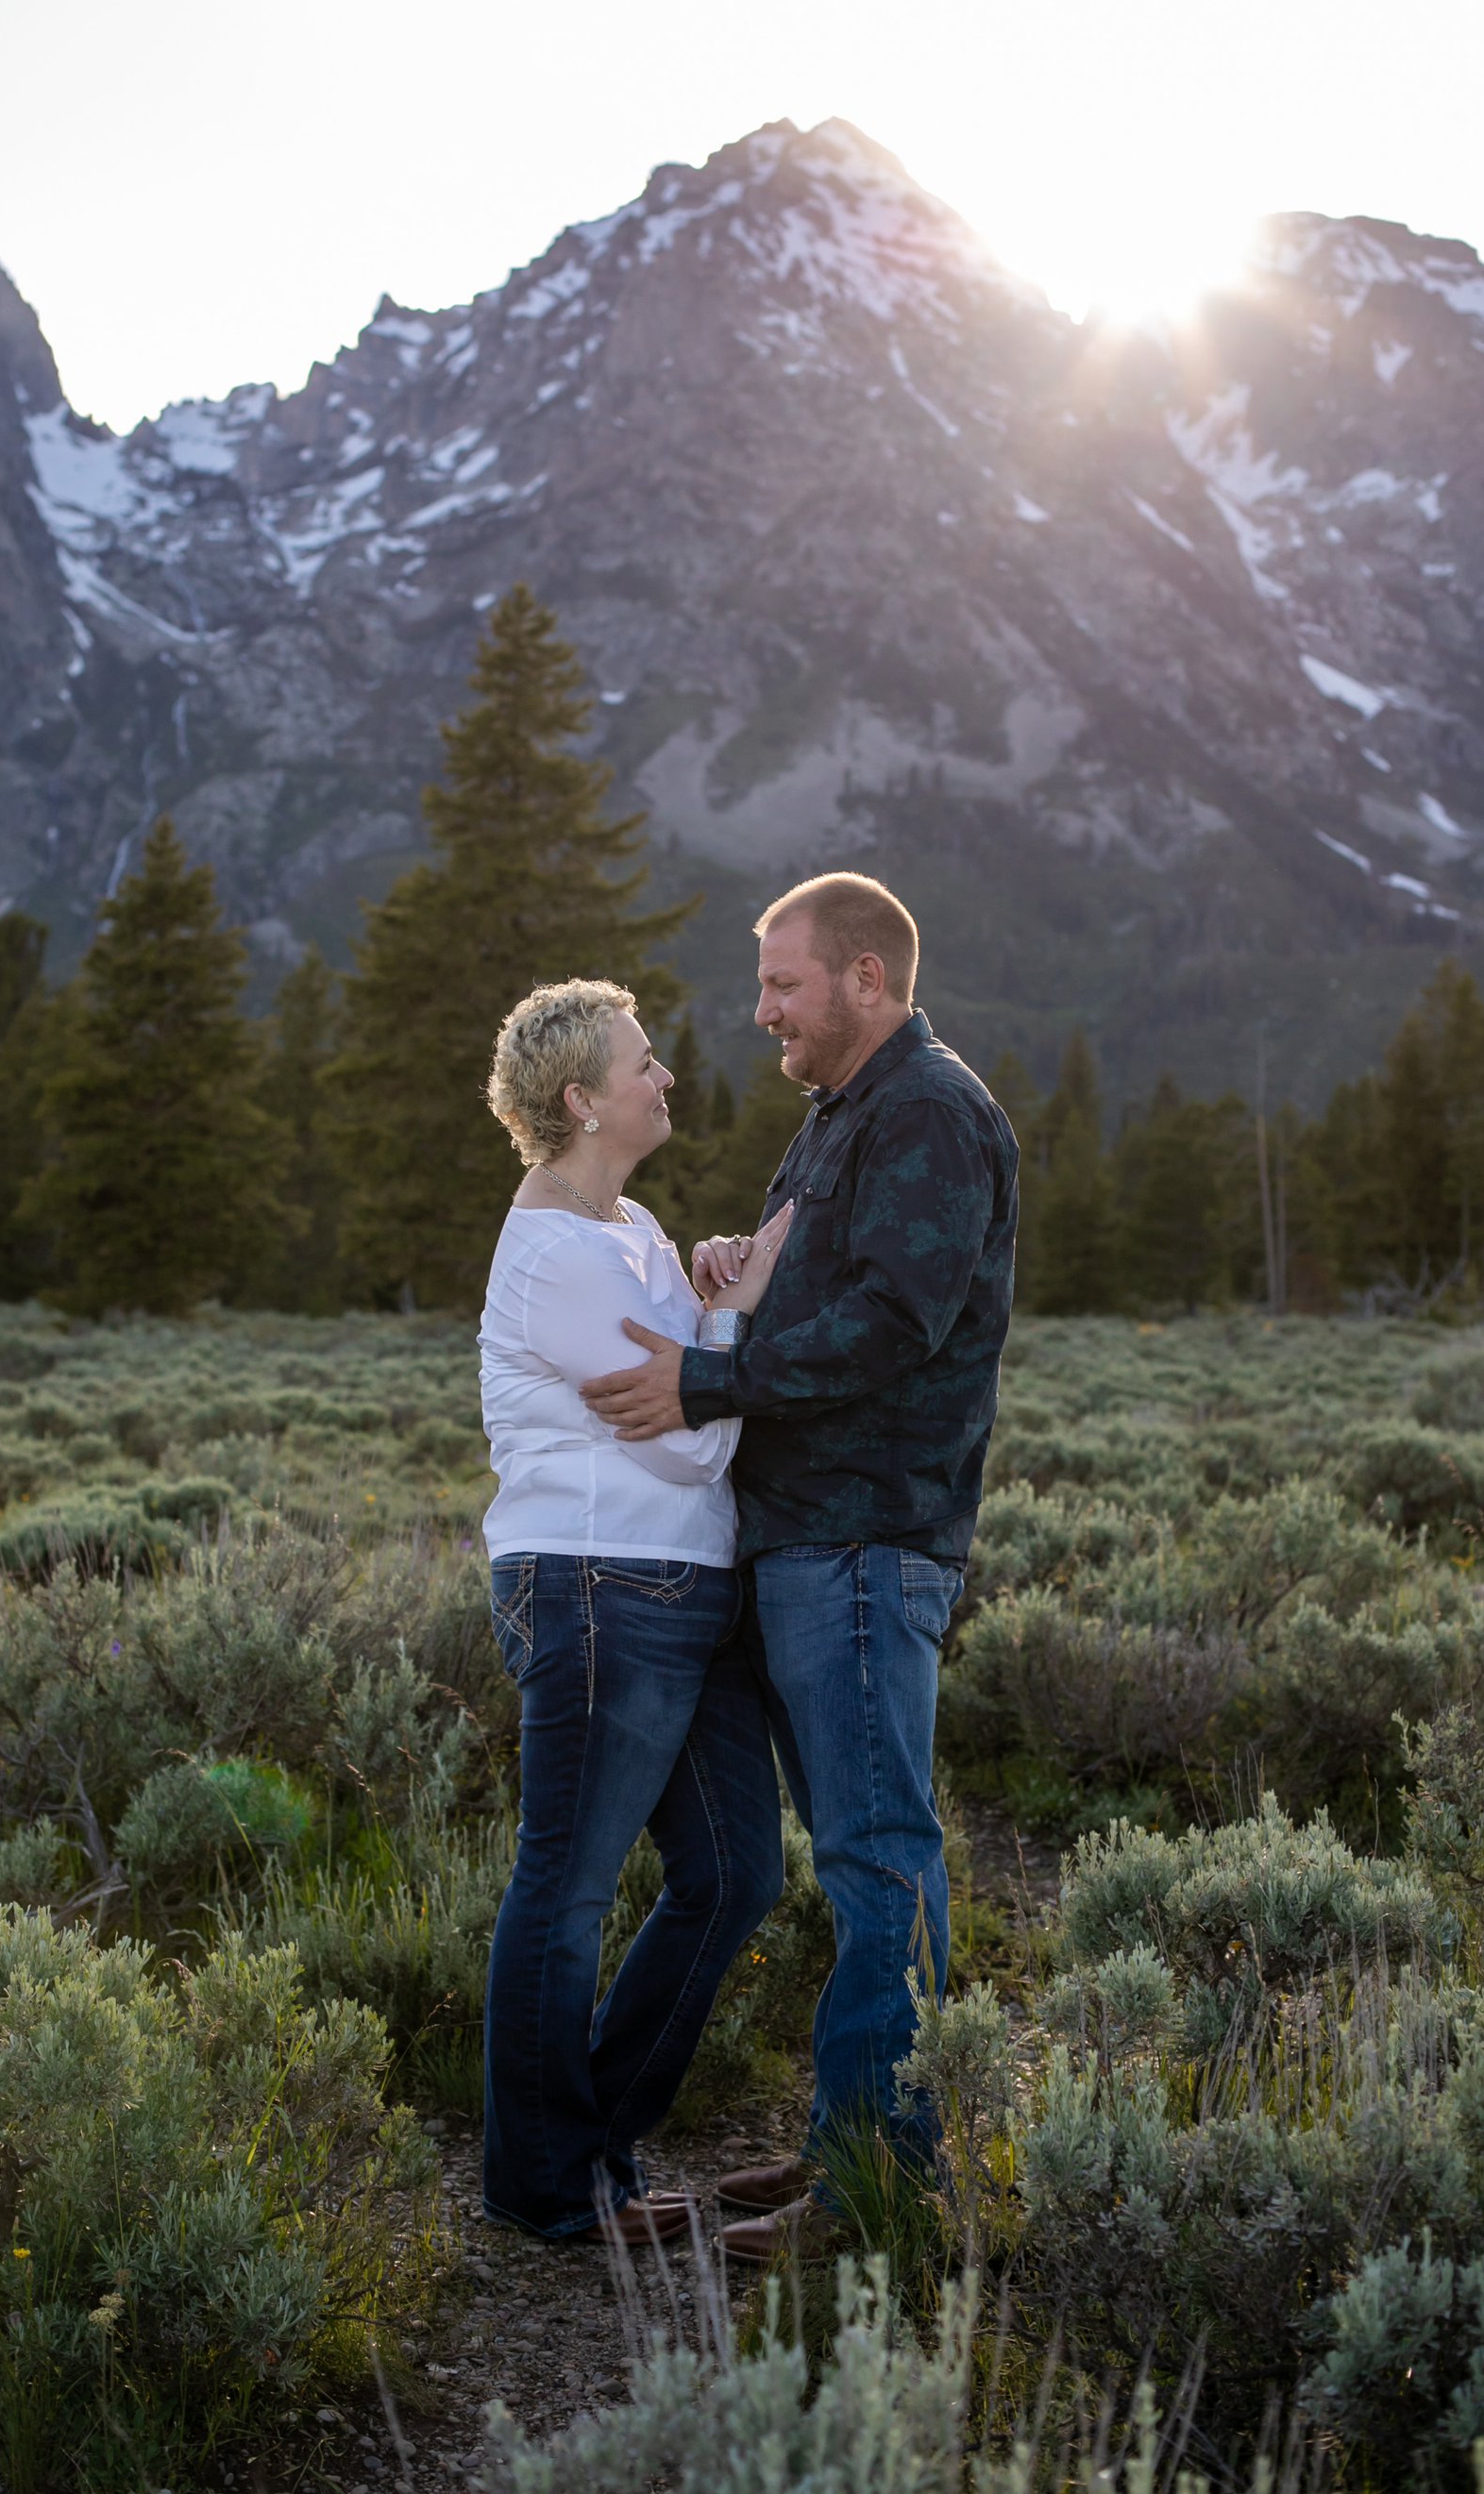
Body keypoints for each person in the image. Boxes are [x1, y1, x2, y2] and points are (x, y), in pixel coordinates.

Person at [579, 875, 1019, 2257]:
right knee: (857, 1856)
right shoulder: (839, 1119)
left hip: (867, 1541)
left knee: (881, 1854)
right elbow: (823, 1289)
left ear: (869, 979)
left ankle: (882, 2187)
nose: (761, 1009)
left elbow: (896, 1324)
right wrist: (731, 1281)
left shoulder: (932, 1114)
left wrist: (711, 1382)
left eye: (784, 984)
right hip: (801, 1542)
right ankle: (856, 2145)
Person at [477, 975, 793, 2245]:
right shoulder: (553, 1255)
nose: (666, 1077)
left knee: (736, 1877)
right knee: (566, 1890)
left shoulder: (633, 1224)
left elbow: (693, 1386)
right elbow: (687, 1443)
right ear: (582, 1098)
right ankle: (548, 2189)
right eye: (644, 1062)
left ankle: (594, 2145)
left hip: (683, 1593)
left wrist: (710, 1300)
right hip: (599, 1586)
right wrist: (733, 1312)